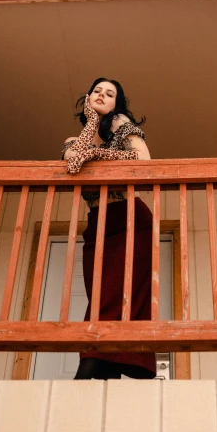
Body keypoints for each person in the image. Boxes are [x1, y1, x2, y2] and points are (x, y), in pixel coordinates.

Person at [62, 77, 156, 380]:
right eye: (97, 91)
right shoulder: (71, 142)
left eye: (110, 93)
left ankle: (91, 366)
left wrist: (101, 147)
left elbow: (143, 161)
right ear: (87, 98)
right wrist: (91, 123)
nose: (102, 95)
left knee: (118, 298)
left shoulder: (121, 125)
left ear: (118, 104)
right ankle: (109, 372)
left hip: (131, 220)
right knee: (100, 297)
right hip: (98, 225)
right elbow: (74, 162)